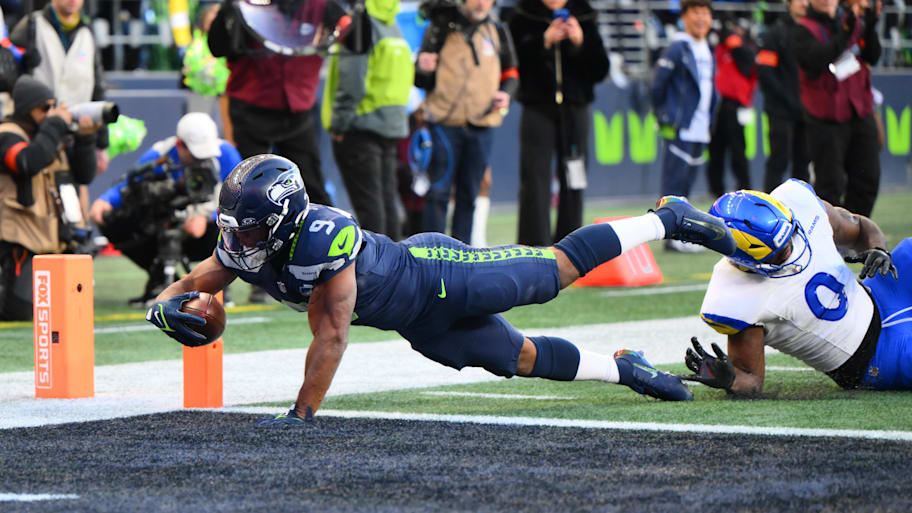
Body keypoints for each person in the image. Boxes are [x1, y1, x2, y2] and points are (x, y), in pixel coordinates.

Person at [145, 154, 740, 424]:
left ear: (280, 217)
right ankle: (625, 368)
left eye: (248, 226)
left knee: (553, 272)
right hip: (416, 321)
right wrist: (164, 306)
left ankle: (668, 217)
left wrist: (301, 413)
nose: (238, 239)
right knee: (516, 359)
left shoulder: (324, 237)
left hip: (435, 273)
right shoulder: (251, 244)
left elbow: (332, 334)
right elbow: (199, 278)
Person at [682, 179, 909, 396]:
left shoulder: (798, 202)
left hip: (880, 296)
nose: (791, 251)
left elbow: (859, 227)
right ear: (745, 260)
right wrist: (730, 379)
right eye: (780, 254)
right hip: (875, 359)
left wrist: (877, 249)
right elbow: (751, 379)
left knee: (907, 251)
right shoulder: (733, 296)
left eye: (791, 236)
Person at [88, 112, 241, 307]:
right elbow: (128, 184)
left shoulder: (226, 154)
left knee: (234, 225)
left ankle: (218, 281)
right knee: (112, 220)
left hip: (212, 229)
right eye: (195, 154)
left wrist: (209, 217)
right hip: (167, 224)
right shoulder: (159, 155)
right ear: (180, 145)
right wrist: (104, 201)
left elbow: (240, 200)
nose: (200, 159)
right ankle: (162, 277)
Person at [414, 0, 518, 244]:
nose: (481, 3)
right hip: (444, 123)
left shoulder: (498, 30)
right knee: (437, 193)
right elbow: (420, 79)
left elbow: (511, 72)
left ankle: (461, 258)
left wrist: (506, 93)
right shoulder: (440, 27)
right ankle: (430, 255)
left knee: (469, 195)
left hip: (482, 124)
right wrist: (422, 68)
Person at [509, 0, 610, 247]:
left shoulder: (584, 14)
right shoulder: (522, 14)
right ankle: (533, 247)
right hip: (537, 106)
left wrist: (580, 41)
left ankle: (572, 246)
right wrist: (543, 41)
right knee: (534, 178)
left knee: (574, 179)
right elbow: (513, 64)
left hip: (575, 108)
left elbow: (600, 69)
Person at [0, 76, 99, 320]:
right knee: (22, 314)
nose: (50, 114)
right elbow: (27, 161)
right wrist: (54, 125)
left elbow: (84, 176)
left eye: (53, 107)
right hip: (19, 244)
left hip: (55, 242)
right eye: (44, 108)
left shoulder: (50, 138)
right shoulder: (6, 134)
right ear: (25, 108)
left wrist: (86, 139)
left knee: (66, 313)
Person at [322, 0, 412, 241]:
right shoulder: (392, 23)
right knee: (386, 202)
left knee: (369, 206)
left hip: (358, 125)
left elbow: (351, 81)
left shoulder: (359, 22)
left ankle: (378, 273)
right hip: (389, 125)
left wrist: (339, 123)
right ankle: (395, 269)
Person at [791, 0, 881, 217]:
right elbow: (818, 59)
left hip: (859, 110)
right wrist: (847, 32)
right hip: (825, 118)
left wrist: (870, 23)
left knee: (868, 177)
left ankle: (855, 233)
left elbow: (872, 55)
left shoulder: (851, 21)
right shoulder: (802, 30)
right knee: (829, 185)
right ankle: (830, 241)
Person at [650, 0, 719, 252]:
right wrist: (666, 117)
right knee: (674, 184)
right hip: (681, 127)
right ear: (685, 17)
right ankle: (670, 237)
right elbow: (657, 86)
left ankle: (682, 235)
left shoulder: (706, 48)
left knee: (687, 183)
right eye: (695, 13)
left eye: (705, 13)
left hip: (701, 127)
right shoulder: (678, 47)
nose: (701, 18)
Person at [11, 0, 109, 173]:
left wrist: (102, 144)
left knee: (78, 191)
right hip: (38, 133)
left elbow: (97, 87)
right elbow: (9, 77)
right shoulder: (31, 25)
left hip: (77, 133)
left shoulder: (87, 31)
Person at [757, 0, 811, 193]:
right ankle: (769, 208)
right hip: (780, 111)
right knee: (778, 160)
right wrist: (790, 100)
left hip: (807, 112)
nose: (804, 3)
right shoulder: (775, 33)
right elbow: (765, 72)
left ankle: (803, 210)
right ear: (789, 3)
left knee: (803, 163)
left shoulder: (814, 32)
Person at [706, 18, 757, 200]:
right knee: (715, 151)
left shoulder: (744, 52)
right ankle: (716, 191)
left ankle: (744, 190)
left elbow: (748, 62)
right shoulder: (719, 49)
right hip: (718, 106)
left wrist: (732, 40)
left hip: (735, 106)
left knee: (738, 152)